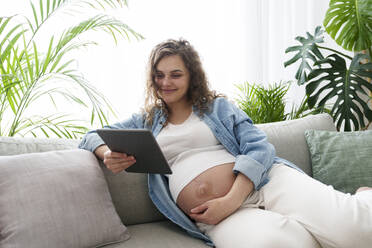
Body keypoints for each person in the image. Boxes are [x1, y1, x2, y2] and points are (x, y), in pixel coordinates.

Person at [79, 39, 372, 248]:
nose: (165, 82)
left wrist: (230, 199)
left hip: (266, 183)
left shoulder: (218, 108)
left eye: (175, 74)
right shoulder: (146, 120)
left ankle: (363, 199)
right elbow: (89, 136)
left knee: (362, 231)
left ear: (192, 75)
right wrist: (106, 152)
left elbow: (260, 148)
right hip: (217, 218)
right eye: (159, 75)